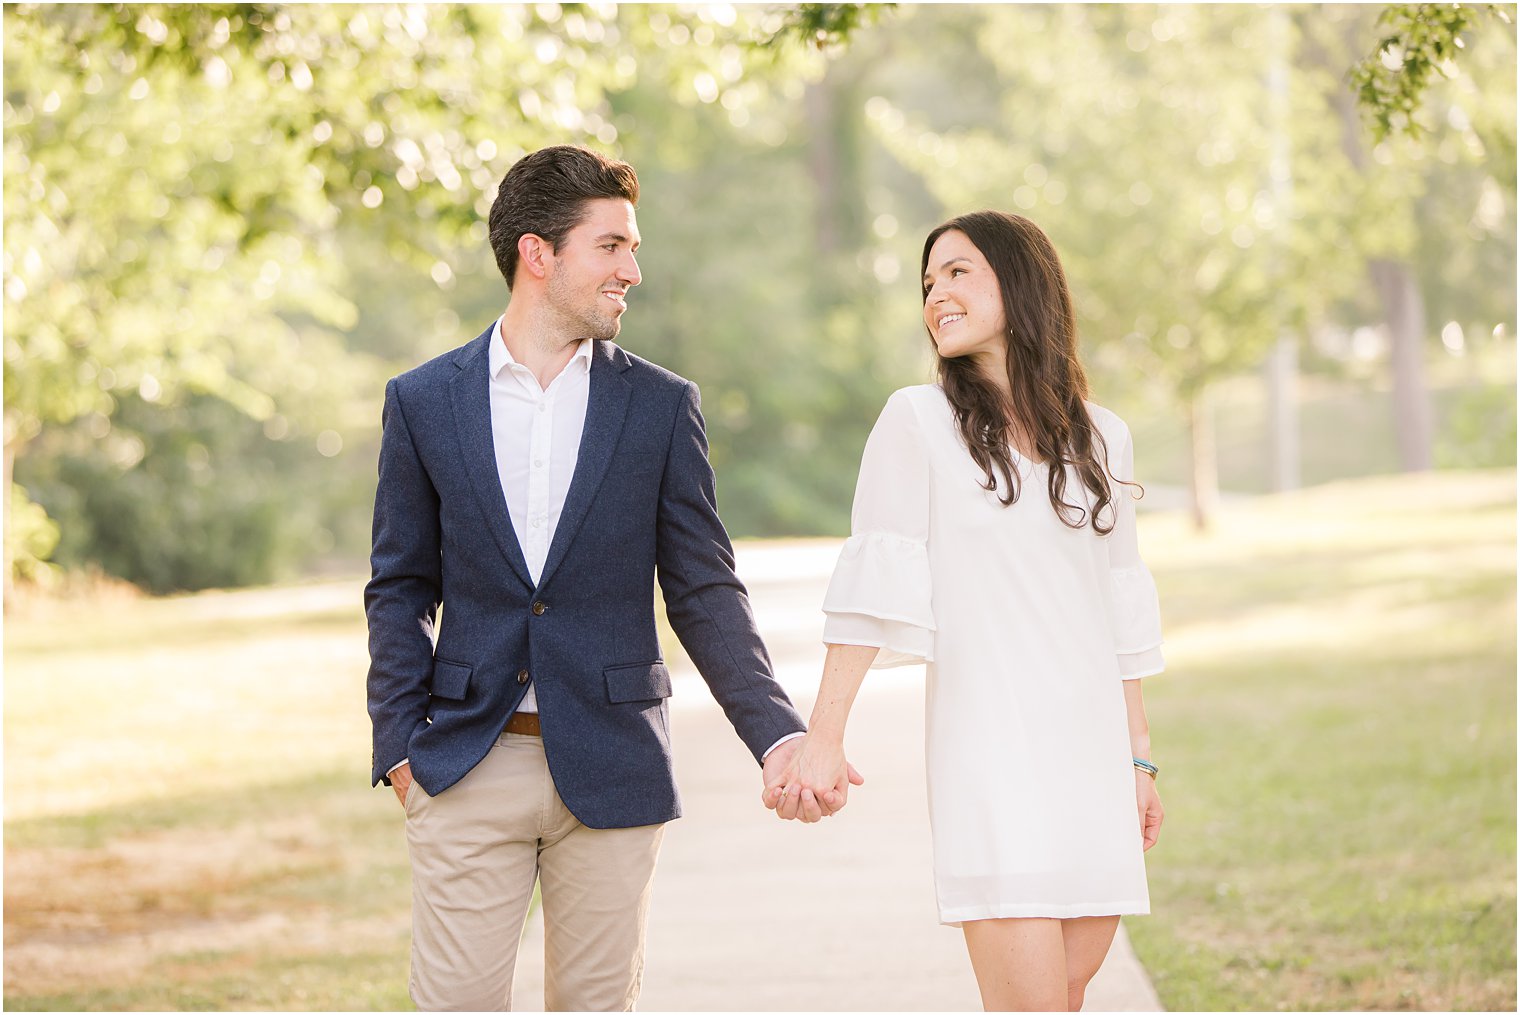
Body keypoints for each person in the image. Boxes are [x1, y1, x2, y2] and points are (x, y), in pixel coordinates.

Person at [365, 145, 853, 1012]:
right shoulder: (423, 401)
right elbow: (399, 586)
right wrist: (401, 745)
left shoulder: (661, 406)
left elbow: (703, 587)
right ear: (538, 252)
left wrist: (777, 734)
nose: (633, 269)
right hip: (468, 763)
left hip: (614, 766)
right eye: (612, 246)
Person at [764, 210, 1166, 1011]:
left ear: (1021, 283)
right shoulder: (917, 422)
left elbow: (1119, 605)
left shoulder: (1103, 437)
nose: (935, 295)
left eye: (957, 272)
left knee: (1069, 991)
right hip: (993, 756)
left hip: (1091, 758)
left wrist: (1139, 759)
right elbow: (875, 586)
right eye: (927, 283)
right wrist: (824, 736)